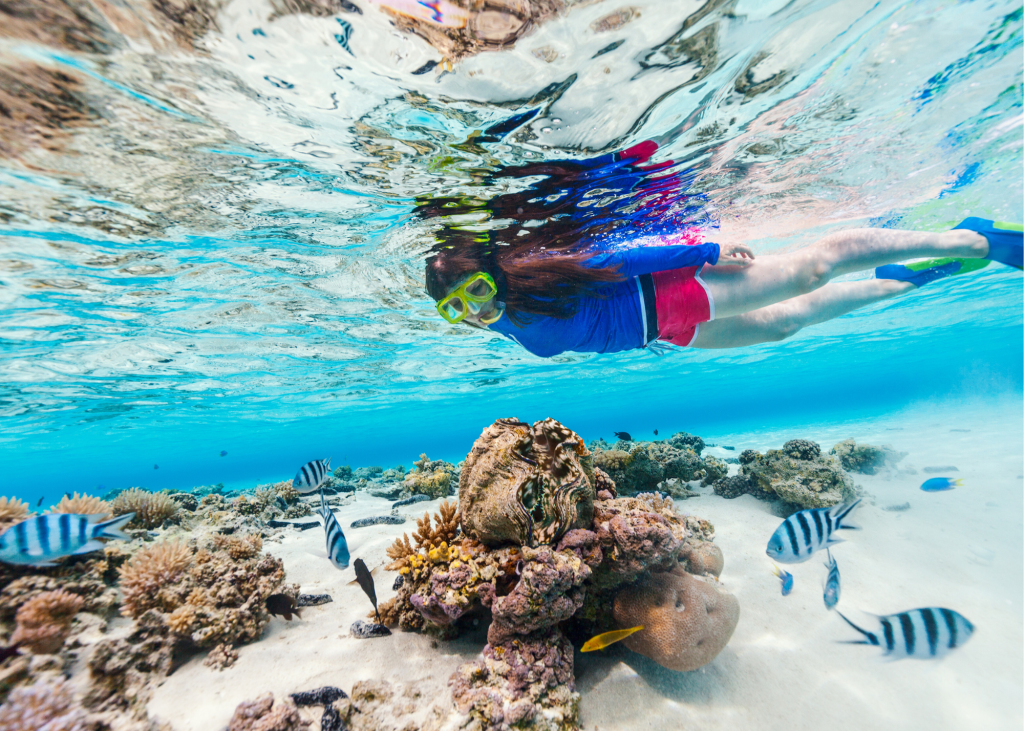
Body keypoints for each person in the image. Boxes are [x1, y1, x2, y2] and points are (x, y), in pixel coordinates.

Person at [421, 147, 1022, 358]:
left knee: (813, 268)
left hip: (668, 291)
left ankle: (970, 237)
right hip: (664, 332)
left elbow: (617, 261)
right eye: (456, 309)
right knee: (786, 326)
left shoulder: (531, 277)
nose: (473, 310)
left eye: (474, 291)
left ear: (491, 274)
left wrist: (706, 248)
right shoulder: (501, 322)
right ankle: (915, 274)